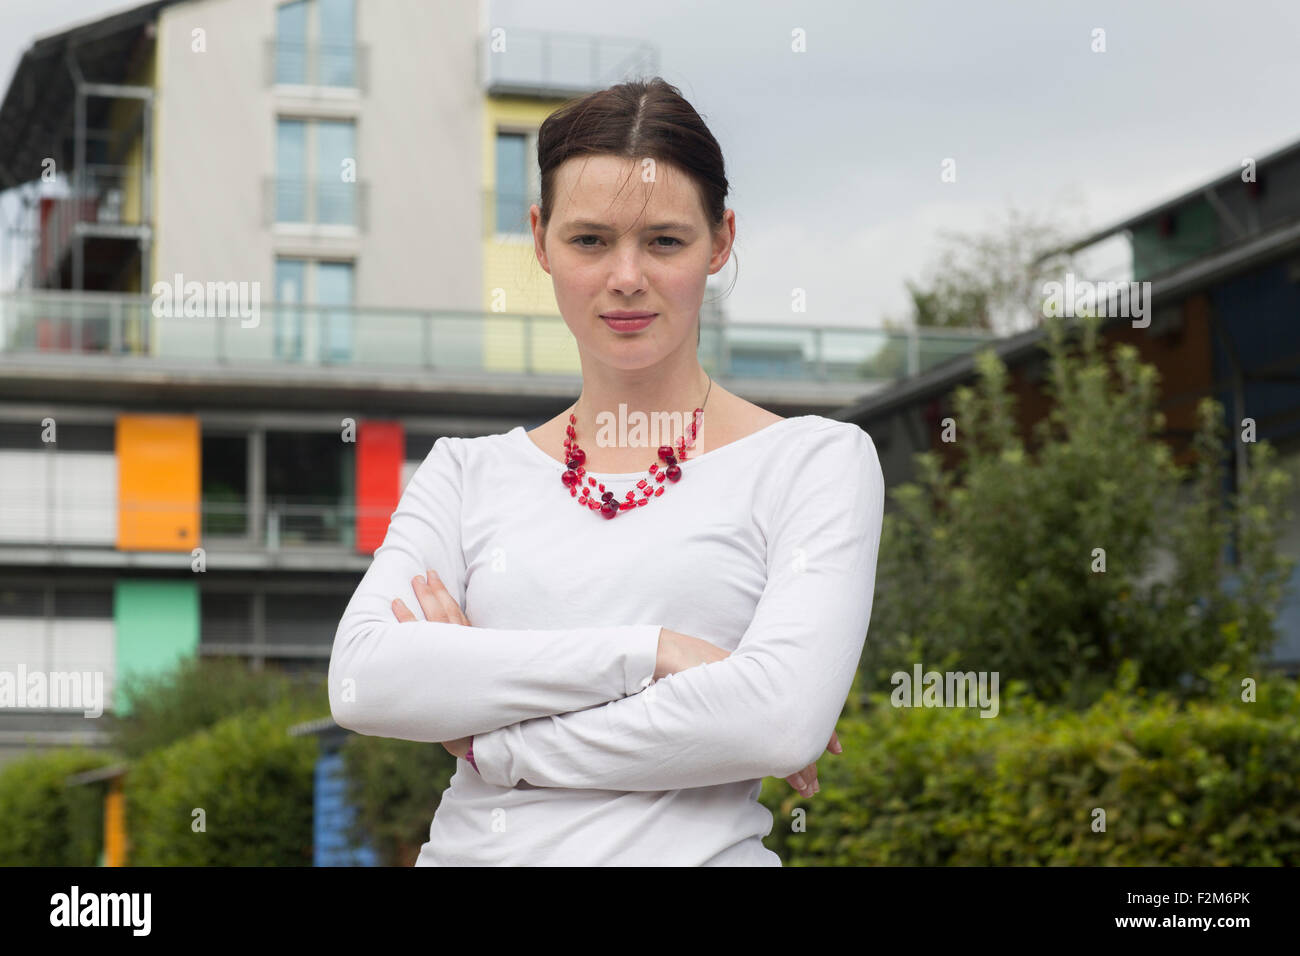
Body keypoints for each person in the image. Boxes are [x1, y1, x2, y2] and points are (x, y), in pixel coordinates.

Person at [329, 76, 885, 865]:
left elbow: (777, 722)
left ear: (721, 240)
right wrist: (652, 654)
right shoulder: (464, 474)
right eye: (590, 240)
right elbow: (363, 682)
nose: (627, 276)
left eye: (665, 240)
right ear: (540, 238)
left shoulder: (815, 463)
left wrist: (493, 740)